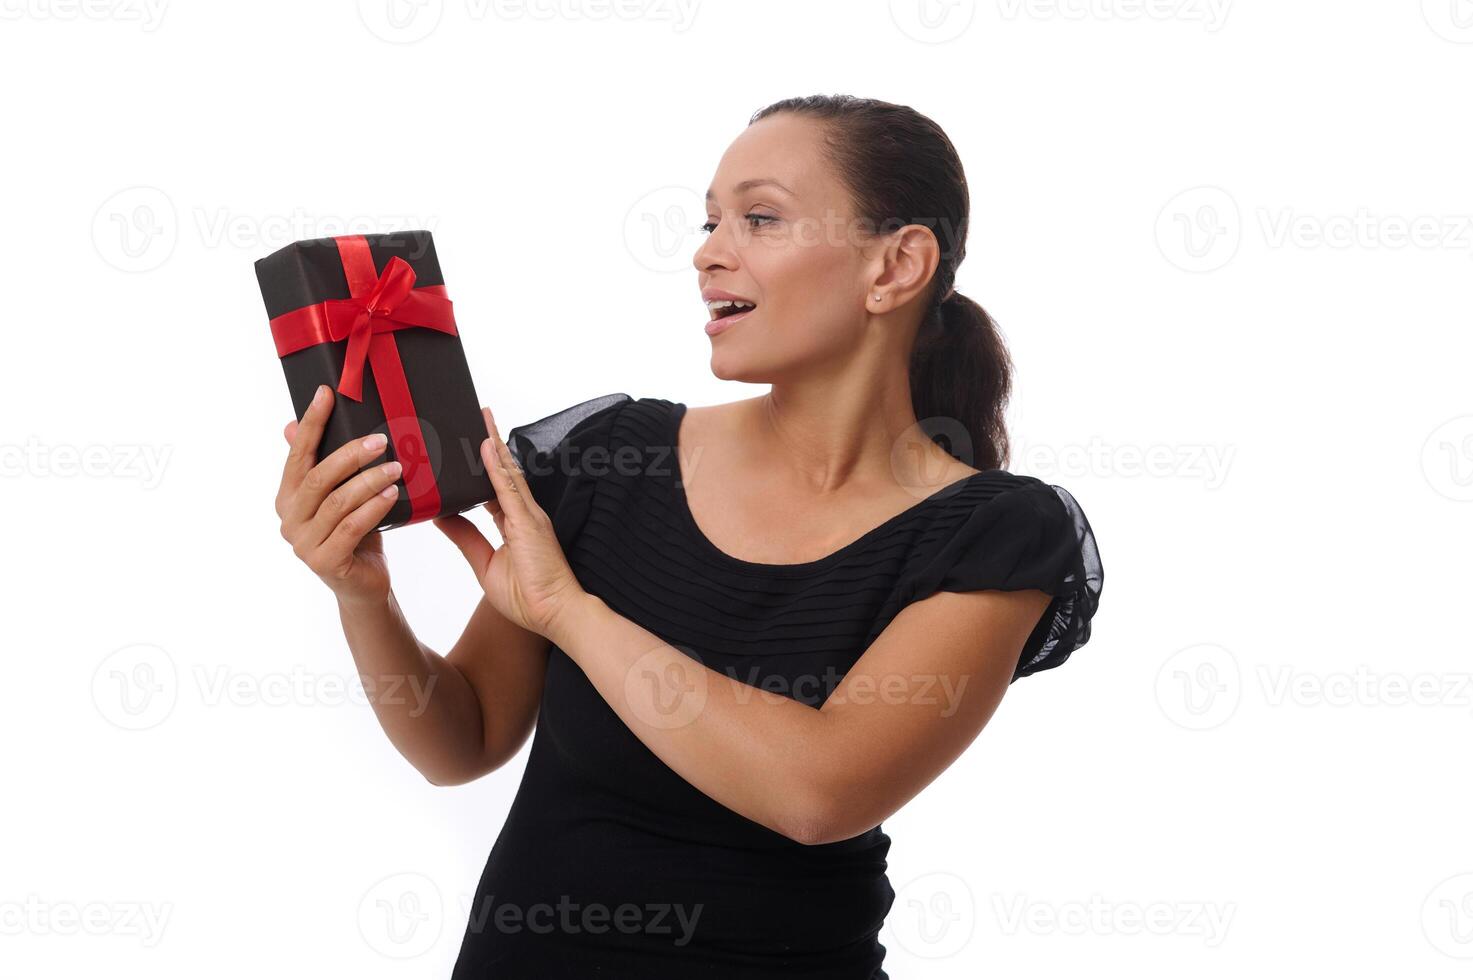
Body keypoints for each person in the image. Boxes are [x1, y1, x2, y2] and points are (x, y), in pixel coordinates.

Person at [274, 94, 1104, 979]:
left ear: (896, 265)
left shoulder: (994, 535)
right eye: (709, 221)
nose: (708, 252)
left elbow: (818, 792)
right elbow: (462, 741)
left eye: (759, 217)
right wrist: (363, 597)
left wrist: (569, 611)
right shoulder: (611, 460)